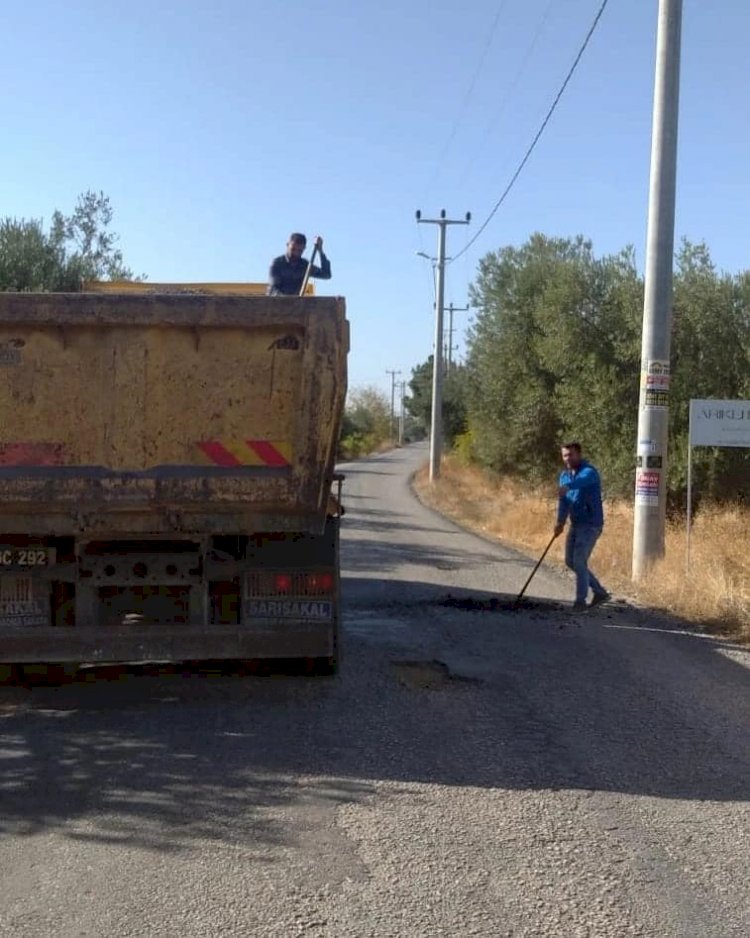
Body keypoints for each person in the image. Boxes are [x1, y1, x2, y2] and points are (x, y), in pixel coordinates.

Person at [553, 441, 610, 611]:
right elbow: (564, 501)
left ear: (579, 454)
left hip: (591, 524)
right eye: (565, 455)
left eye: (571, 455)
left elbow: (581, 482)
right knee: (570, 561)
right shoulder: (564, 476)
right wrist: (560, 522)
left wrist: (568, 486)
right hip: (576, 524)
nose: (567, 458)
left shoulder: (589, 472)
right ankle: (600, 592)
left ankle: (580, 601)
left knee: (579, 560)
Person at [267, 233, 331, 296]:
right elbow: (274, 289)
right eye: (293, 249)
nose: (296, 253)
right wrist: (288, 300)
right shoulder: (277, 263)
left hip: (296, 304)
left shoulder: (305, 266)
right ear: (287, 245)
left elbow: (326, 274)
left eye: (299, 251)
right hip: (275, 303)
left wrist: (320, 251)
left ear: (304, 249)